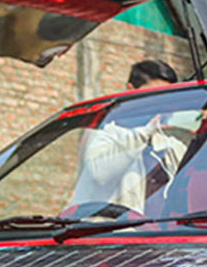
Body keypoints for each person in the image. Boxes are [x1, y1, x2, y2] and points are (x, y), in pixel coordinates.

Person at [70, 59, 193, 214]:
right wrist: (143, 133)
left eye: (166, 98)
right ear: (130, 90)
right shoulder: (106, 131)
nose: (161, 104)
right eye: (154, 96)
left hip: (159, 235)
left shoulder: (167, 143)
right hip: (107, 234)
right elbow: (99, 172)